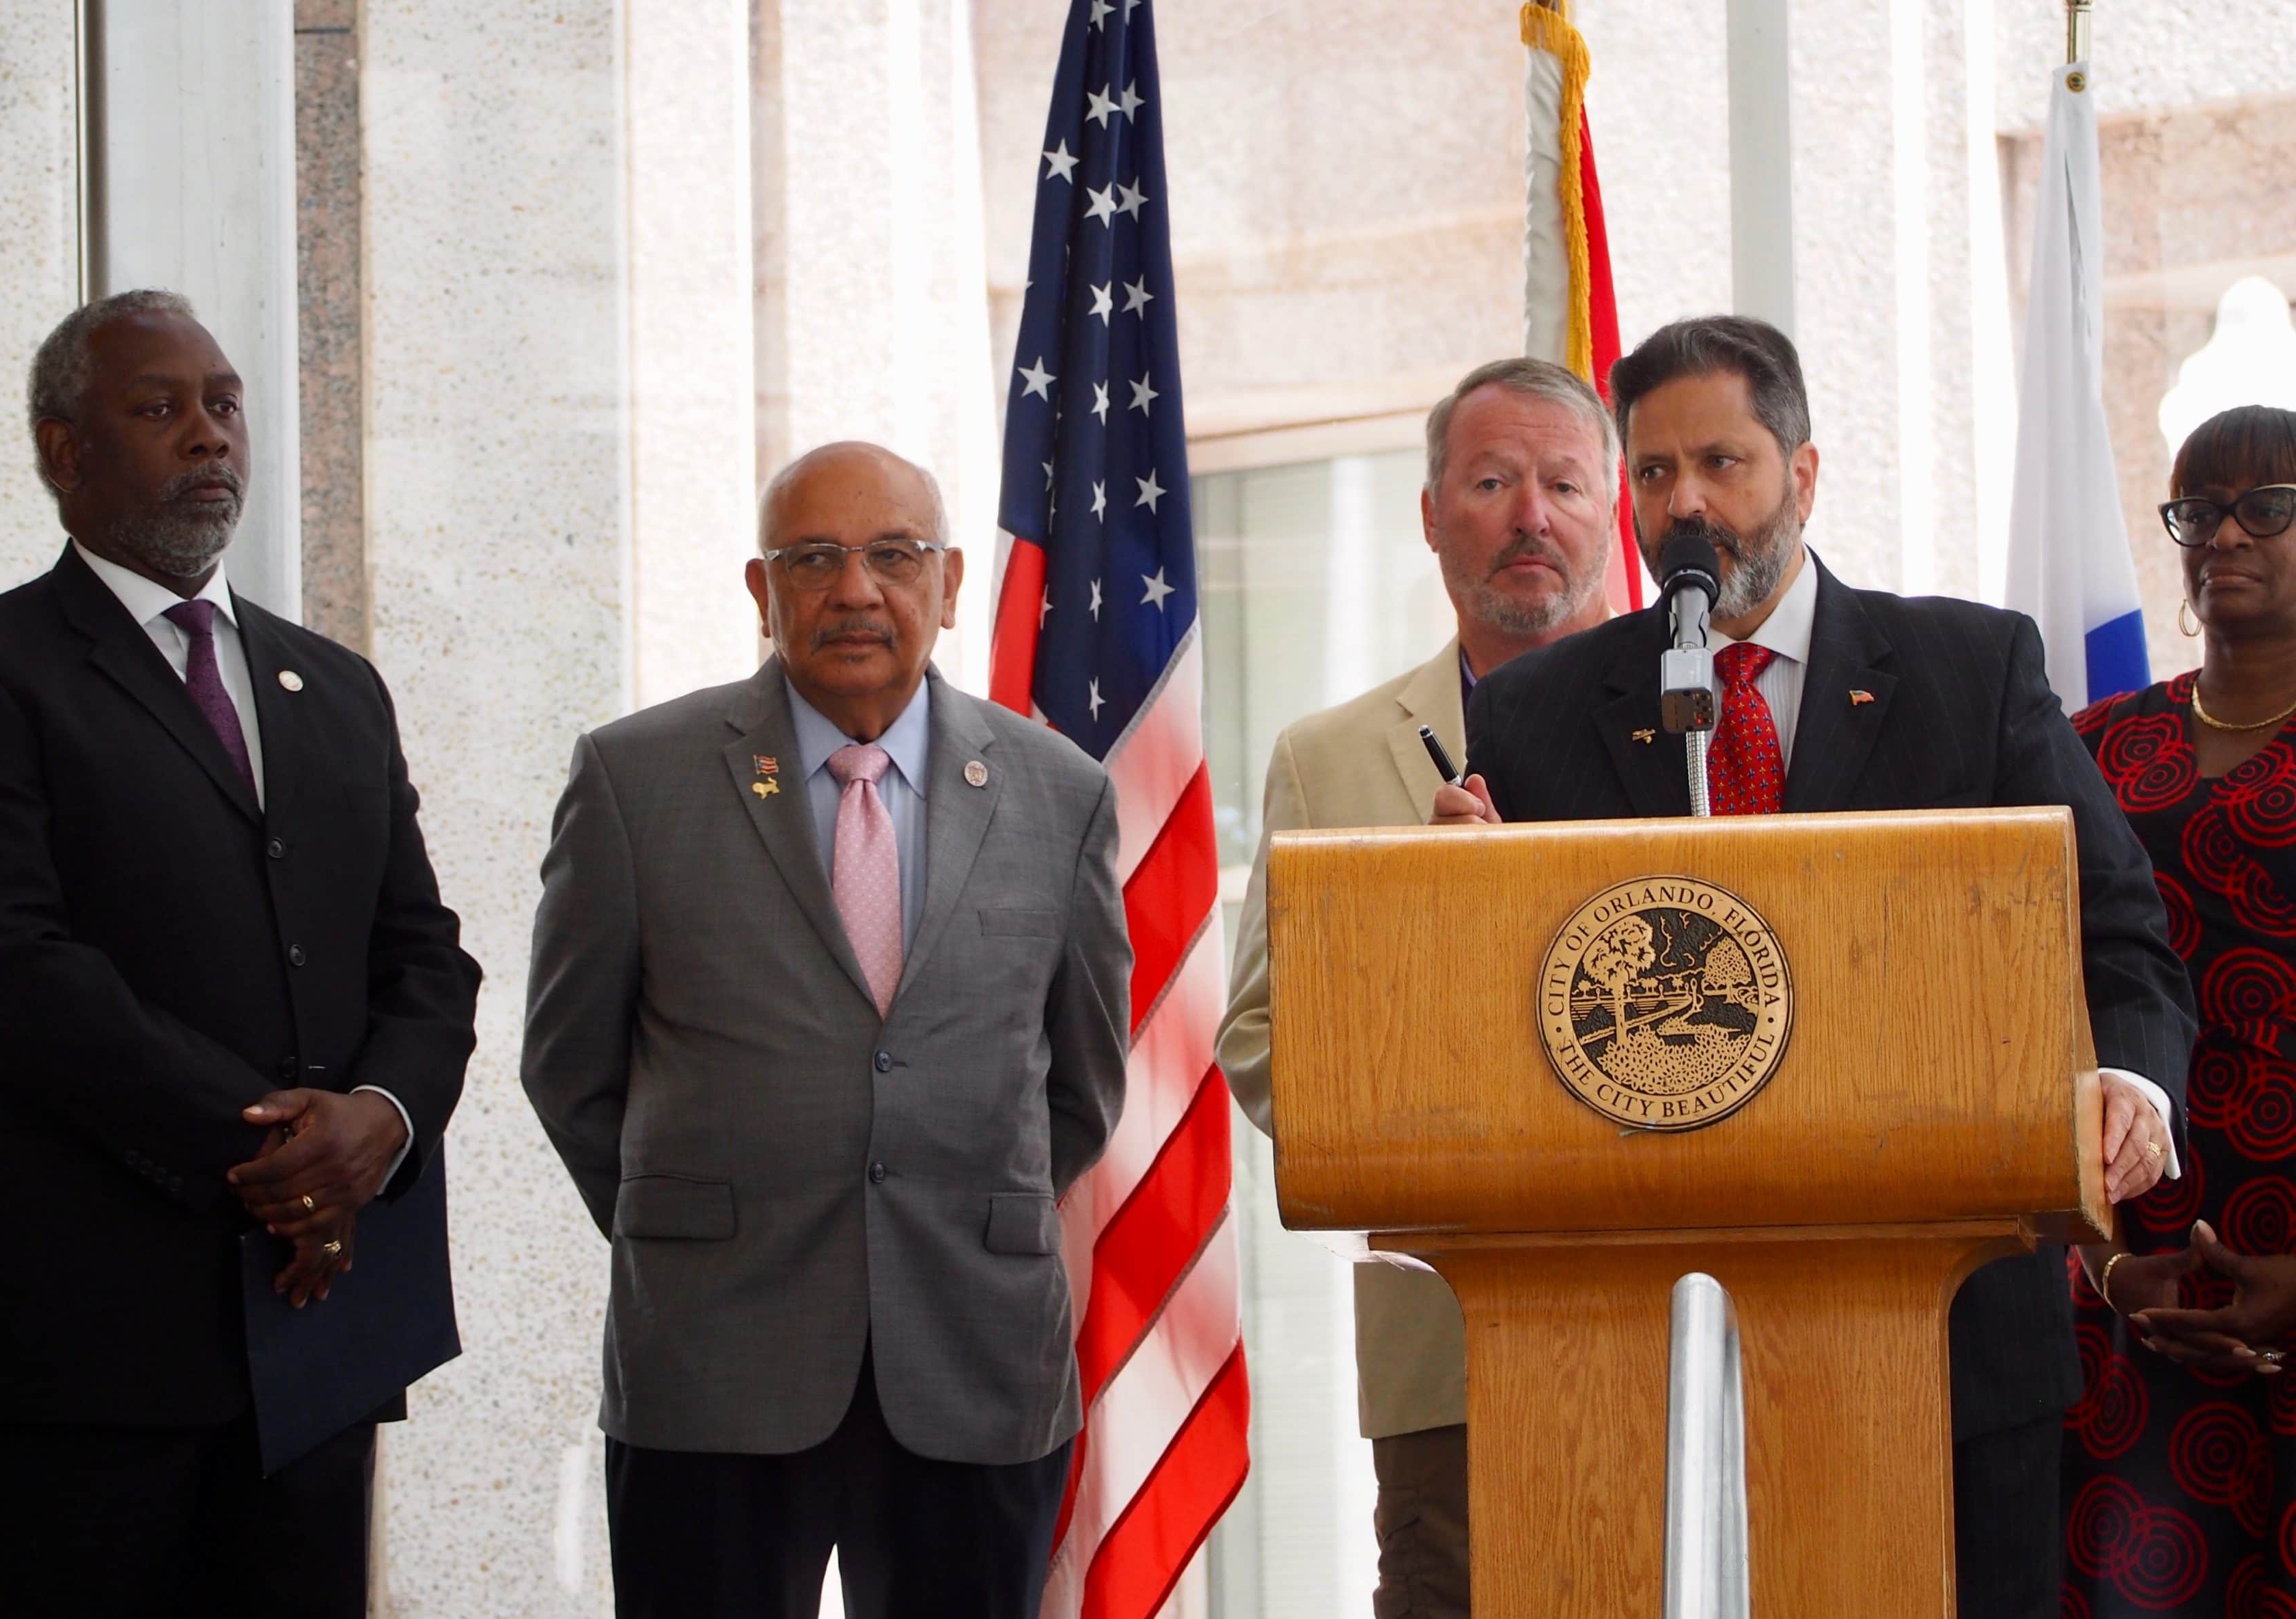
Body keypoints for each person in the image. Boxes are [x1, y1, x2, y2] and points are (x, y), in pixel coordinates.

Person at [1432, 314, 2197, 1619]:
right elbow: (1523, 1015)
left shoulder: (1968, 667)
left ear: (1804, 470)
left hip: (1949, 1348)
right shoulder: (1537, 710)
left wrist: (2128, 1074)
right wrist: (1463, 902)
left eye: (1722, 464)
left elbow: (2117, 924)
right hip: (1636, 1359)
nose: (1687, 507)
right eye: (1656, 472)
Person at [0, 290, 481, 1618]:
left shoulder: (333, 686)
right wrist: (285, 1151)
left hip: (319, 1337)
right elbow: (12, 978)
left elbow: (426, 959)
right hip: (83, 1354)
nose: (207, 434)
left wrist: (380, 1123)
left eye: (222, 404)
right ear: (63, 450)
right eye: (158, 409)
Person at [521, 441, 1131, 1619]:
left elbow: (1081, 1080)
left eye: (893, 555)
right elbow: (569, 1066)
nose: (857, 590)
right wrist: (695, 1221)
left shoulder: (1062, 794)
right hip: (715, 1360)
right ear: (763, 590)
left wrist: (935, 1211)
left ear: (950, 584)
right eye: (815, 558)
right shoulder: (635, 779)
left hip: (973, 1356)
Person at [1215, 356, 1618, 1618]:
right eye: (1492, 481)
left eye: (1562, 482)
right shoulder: (1331, 760)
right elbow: (1261, 1042)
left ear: (1613, 510)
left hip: (1692, 1319)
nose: (1529, 516)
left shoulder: (1708, 733)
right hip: (1446, 1349)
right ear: (1433, 513)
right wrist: (1431, 943)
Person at [2062, 404, 2296, 1616]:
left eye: (2271, 506)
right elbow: (2030, 1010)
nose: (2229, 534)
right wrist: (2106, 1266)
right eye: (2200, 510)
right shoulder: (2092, 746)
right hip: (2128, 1276)